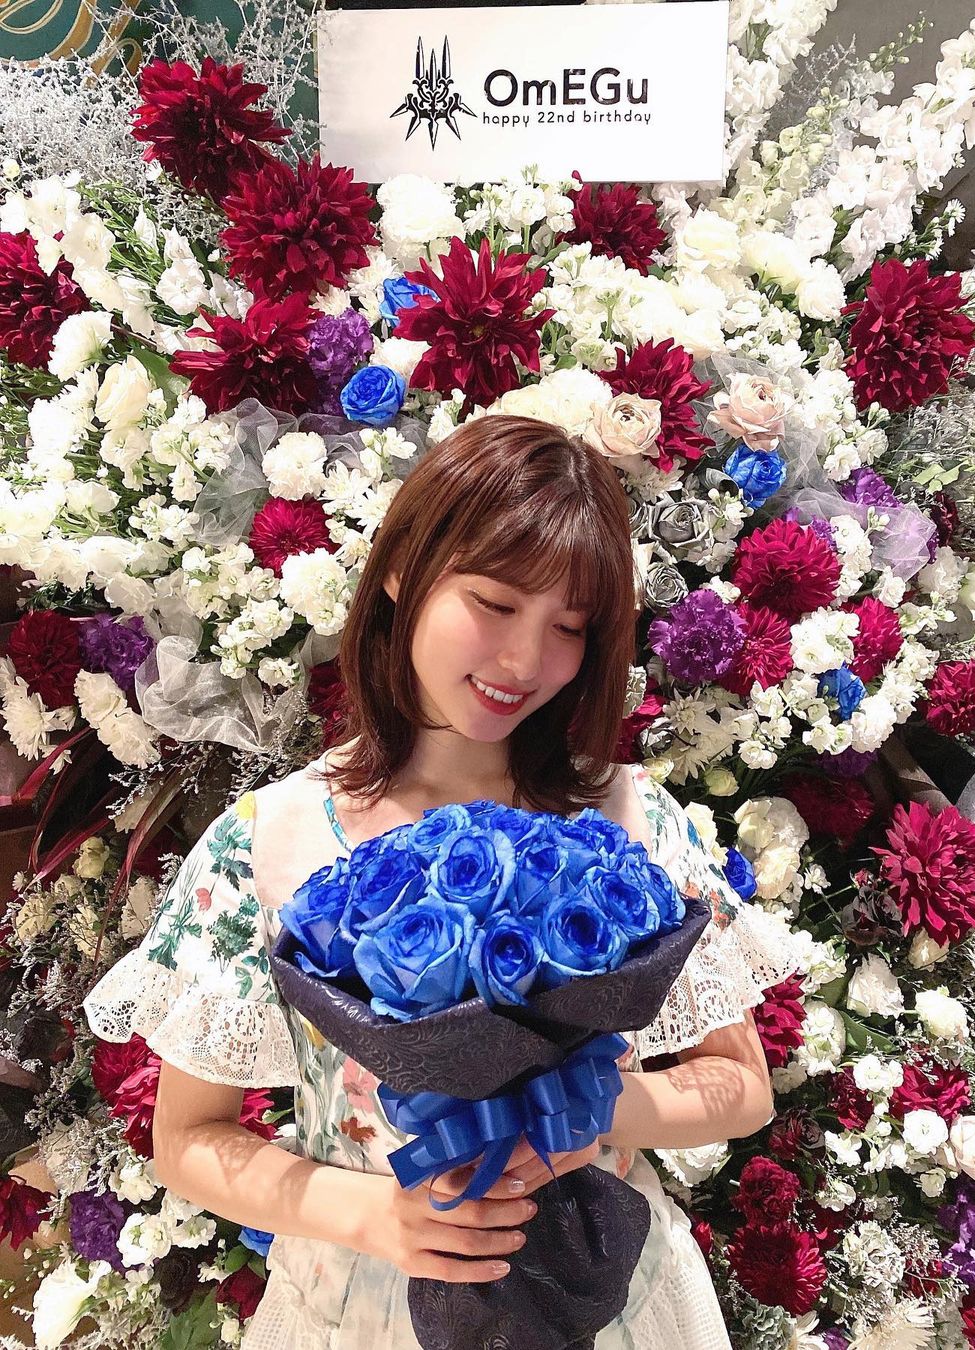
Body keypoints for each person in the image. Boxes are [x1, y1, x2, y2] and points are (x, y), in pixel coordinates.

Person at [85, 415, 795, 1348]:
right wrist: (373, 1216)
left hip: (606, 1295)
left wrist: (585, 1115)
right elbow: (185, 1140)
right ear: (401, 571)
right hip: (362, 1308)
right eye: (494, 603)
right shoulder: (269, 841)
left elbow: (742, 1086)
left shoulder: (629, 818)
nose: (523, 662)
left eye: (568, 627)